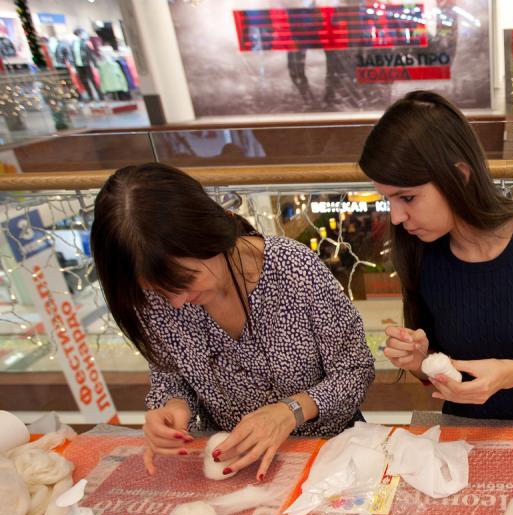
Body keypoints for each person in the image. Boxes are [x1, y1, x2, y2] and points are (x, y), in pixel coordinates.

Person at [91, 163, 375, 478]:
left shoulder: (293, 269)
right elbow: (170, 378)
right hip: (232, 462)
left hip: (329, 454)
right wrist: (173, 408)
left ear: (209, 235)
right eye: (157, 290)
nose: (175, 302)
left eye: (186, 280)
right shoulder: (156, 300)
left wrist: (290, 411)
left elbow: (355, 371)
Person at [359, 91, 513, 422]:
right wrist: (421, 361)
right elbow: (440, 368)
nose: (396, 217)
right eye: (388, 200)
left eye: (407, 198)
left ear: (460, 176)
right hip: (464, 433)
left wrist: (507, 374)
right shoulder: (421, 252)